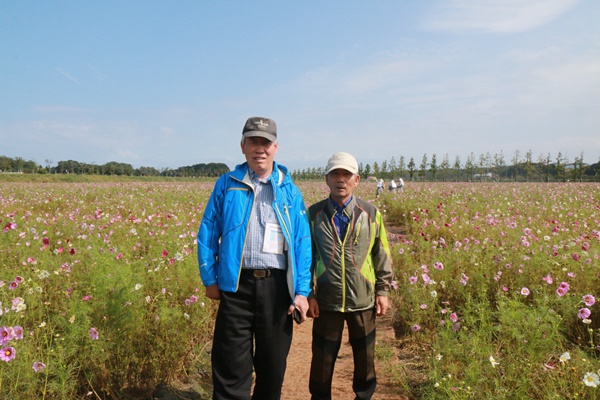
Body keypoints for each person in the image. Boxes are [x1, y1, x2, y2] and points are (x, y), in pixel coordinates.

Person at [197, 116, 312, 400]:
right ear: (242, 146)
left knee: (272, 367)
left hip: (276, 289)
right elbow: (208, 230)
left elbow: (301, 243)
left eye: (265, 143)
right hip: (236, 286)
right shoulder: (228, 184)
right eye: (253, 142)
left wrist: (301, 292)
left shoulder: (289, 190)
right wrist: (209, 278)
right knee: (230, 364)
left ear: (276, 147)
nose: (259, 149)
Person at [307, 152, 394, 400]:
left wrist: (382, 290)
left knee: (365, 357)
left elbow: (381, 252)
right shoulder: (314, 214)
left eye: (346, 174)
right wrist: (309, 293)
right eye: (335, 174)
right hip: (327, 300)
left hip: (363, 299)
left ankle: (363, 396)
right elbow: (306, 258)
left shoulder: (370, 212)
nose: (341, 180)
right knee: (322, 359)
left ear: (357, 180)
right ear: (327, 179)